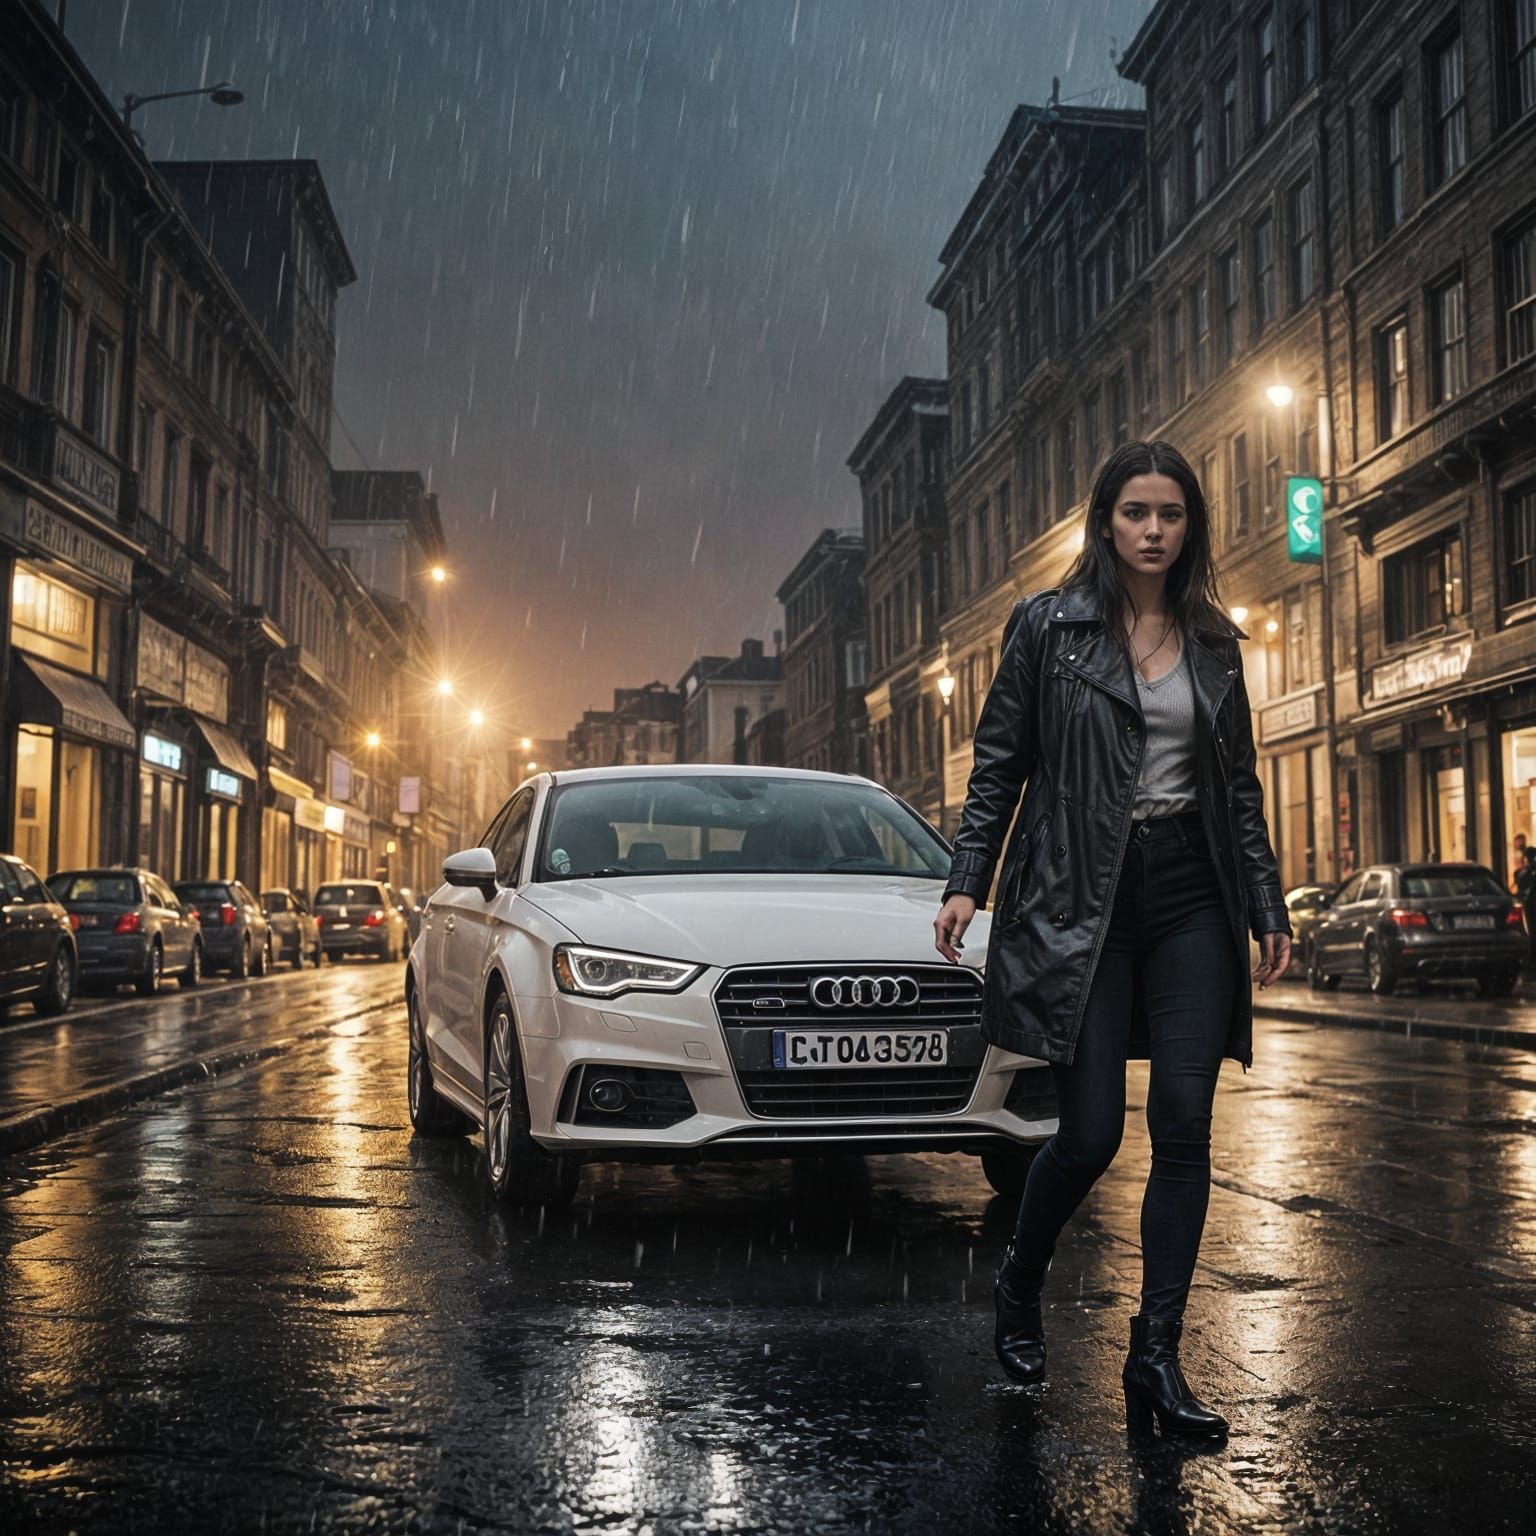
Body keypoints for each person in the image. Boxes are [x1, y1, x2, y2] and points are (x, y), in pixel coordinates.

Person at [933, 440, 1290, 1438]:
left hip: (1190, 895)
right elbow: (1000, 764)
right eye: (1136, 511)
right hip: (1078, 898)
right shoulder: (1049, 630)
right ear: (1106, 521)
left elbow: (1240, 789)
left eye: (1171, 514)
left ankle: (1156, 1358)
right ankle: (1020, 1279)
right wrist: (969, 880)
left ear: (1190, 528)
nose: (1153, 529)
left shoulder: (1215, 640)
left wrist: (1267, 904)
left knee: (1183, 1127)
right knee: (1088, 1135)